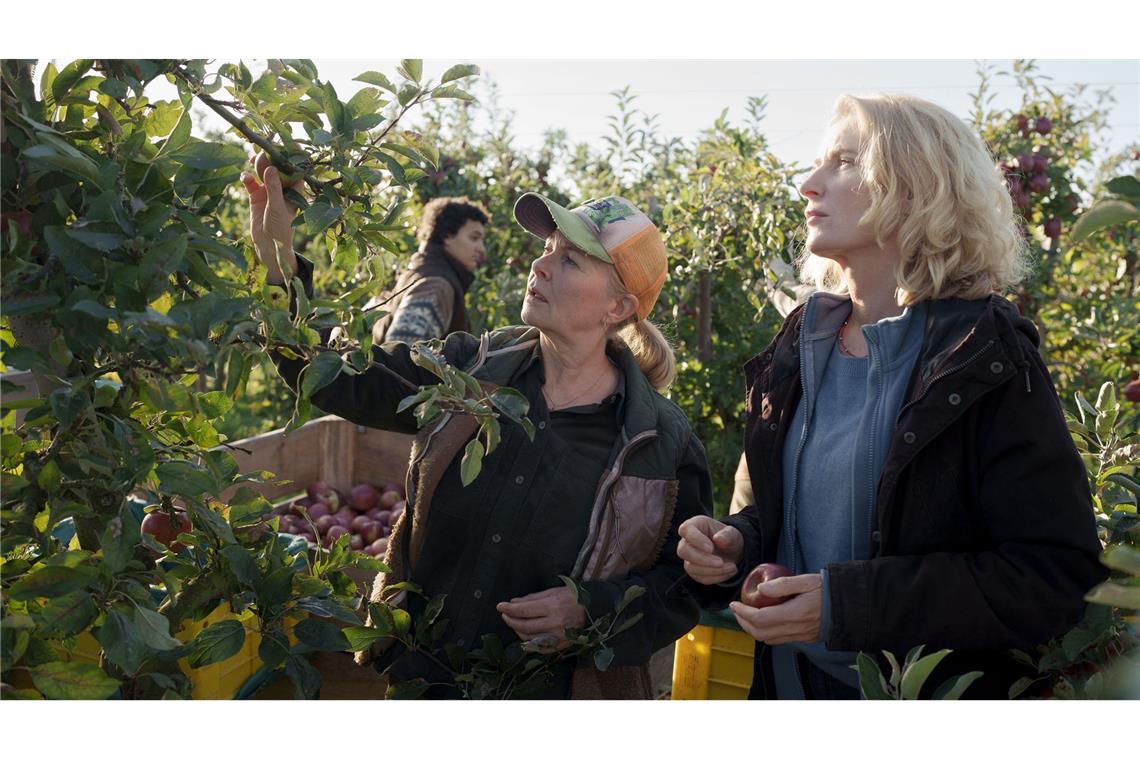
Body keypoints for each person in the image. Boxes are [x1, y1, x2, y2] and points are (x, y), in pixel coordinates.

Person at [677, 93, 1106, 699]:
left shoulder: (982, 356)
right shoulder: (800, 346)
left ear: (915, 189)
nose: (807, 183)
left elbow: (1050, 576)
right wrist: (738, 545)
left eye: (844, 162)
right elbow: (791, 518)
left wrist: (851, 606)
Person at [242, 161, 712, 699]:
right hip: (425, 684)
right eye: (548, 247)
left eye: (571, 260)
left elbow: (682, 586)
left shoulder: (659, 445)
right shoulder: (467, 371)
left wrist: (590, 608)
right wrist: (278, 261)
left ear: (618, 306)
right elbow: (336, 378)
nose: (541, 265)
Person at [368, 196, 490, 343]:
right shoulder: (437, 287)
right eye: (474, 238)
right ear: (447, 236)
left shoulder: (417, 272)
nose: (482, 249)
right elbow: (401, 350)